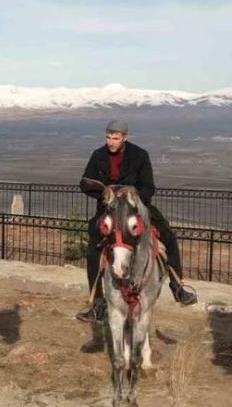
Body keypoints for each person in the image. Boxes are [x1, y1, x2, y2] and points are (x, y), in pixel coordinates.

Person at [76, 120, 198, 323]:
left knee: (168, 234)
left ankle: (177, 287)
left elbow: (149, 187)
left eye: (115, 138)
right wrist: (105, 193)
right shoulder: (98, 155)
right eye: (108, 137)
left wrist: (133, 197)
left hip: (136, 206)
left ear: (125, 138)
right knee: (93, 245)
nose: (111, 142)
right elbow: (85, 182)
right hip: (109, 208)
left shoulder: (140, 155)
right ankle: (98, 304)